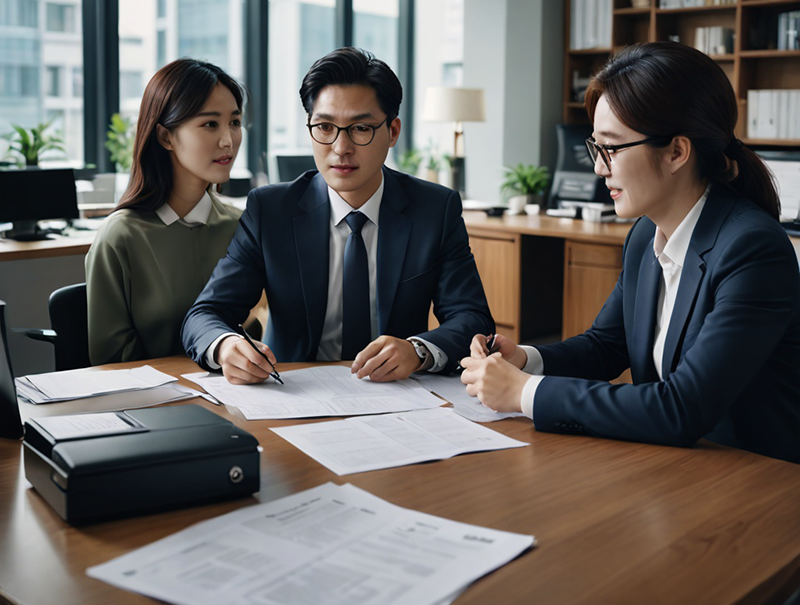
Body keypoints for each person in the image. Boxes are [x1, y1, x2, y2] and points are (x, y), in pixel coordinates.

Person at [461, 42, 800, 464]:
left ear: (677, 151)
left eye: (613, 148)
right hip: (675, 466)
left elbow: (681, 408)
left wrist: (522, 393)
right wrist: (529, 360)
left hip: (750, 477)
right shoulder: (645, 234)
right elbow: (608, 345)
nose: (600, 167)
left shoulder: (752, 250)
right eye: (596, 147)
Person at [182, 46, 493, 384]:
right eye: (325, 127)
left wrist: (418, 350)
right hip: (294, 393)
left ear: (393, 132)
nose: (340, 147)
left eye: (361, 128)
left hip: (400, 393)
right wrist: (226, 345)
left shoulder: (434, 209)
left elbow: (472, 317)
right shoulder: (271, 210)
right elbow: (206, 314)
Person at [85, 58, 246, 363]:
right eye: (210, 124)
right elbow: (110, 362)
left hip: (240, 397)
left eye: (234, 122)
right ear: (165, 136)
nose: (228, 140)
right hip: (153, 404)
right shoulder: (121, 237)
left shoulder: (241, 226)